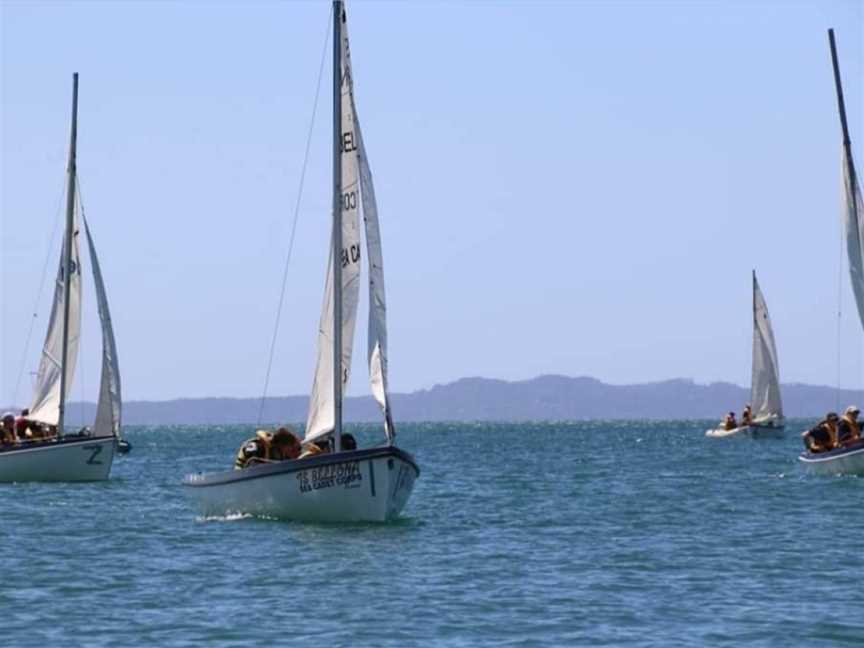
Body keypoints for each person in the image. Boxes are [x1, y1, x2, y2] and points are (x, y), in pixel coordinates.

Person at [234, 426, 300, 469]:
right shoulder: (257, 446)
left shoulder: (281, 454)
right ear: (283, 445)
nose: (296, 453)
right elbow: (251, 466)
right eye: (293, 450)